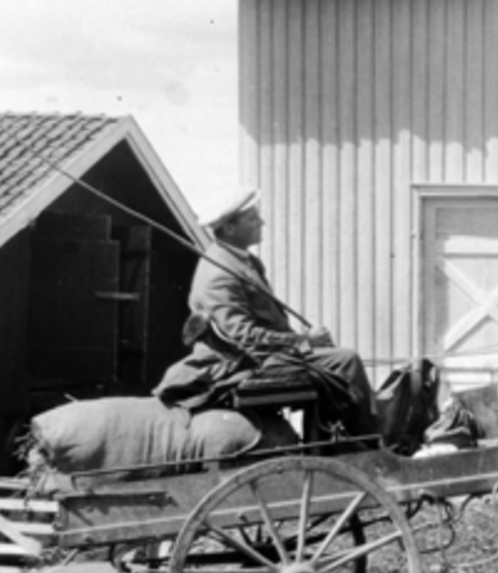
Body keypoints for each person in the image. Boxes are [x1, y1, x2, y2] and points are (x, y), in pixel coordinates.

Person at [154, 187, 378, 436]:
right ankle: (368, 444)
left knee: (332, 358)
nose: (262, 222)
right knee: (345, 361)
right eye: (252, 218)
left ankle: (331, 438)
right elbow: (242, 336)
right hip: (237, 361)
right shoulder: (219, 273)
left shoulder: (241, 260)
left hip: (261, 353)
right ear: (229, 228)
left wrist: (306, 343)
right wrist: (304, 340)